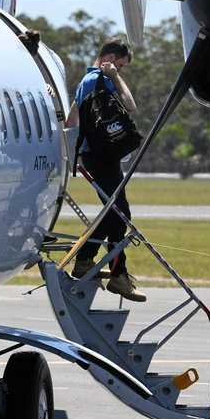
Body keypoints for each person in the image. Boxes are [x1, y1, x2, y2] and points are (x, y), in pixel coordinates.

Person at [64, 37, 144, 302]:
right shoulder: (104, 79)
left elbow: (71, 120)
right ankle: (113, 273)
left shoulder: (84, 83)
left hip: (92, 156)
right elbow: (131, 105)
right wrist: (115, 77)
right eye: (119, 66)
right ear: (109, 59)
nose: (120, 71)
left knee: (115, 212)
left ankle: (90, 261)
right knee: (120, 213)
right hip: (103, 157)